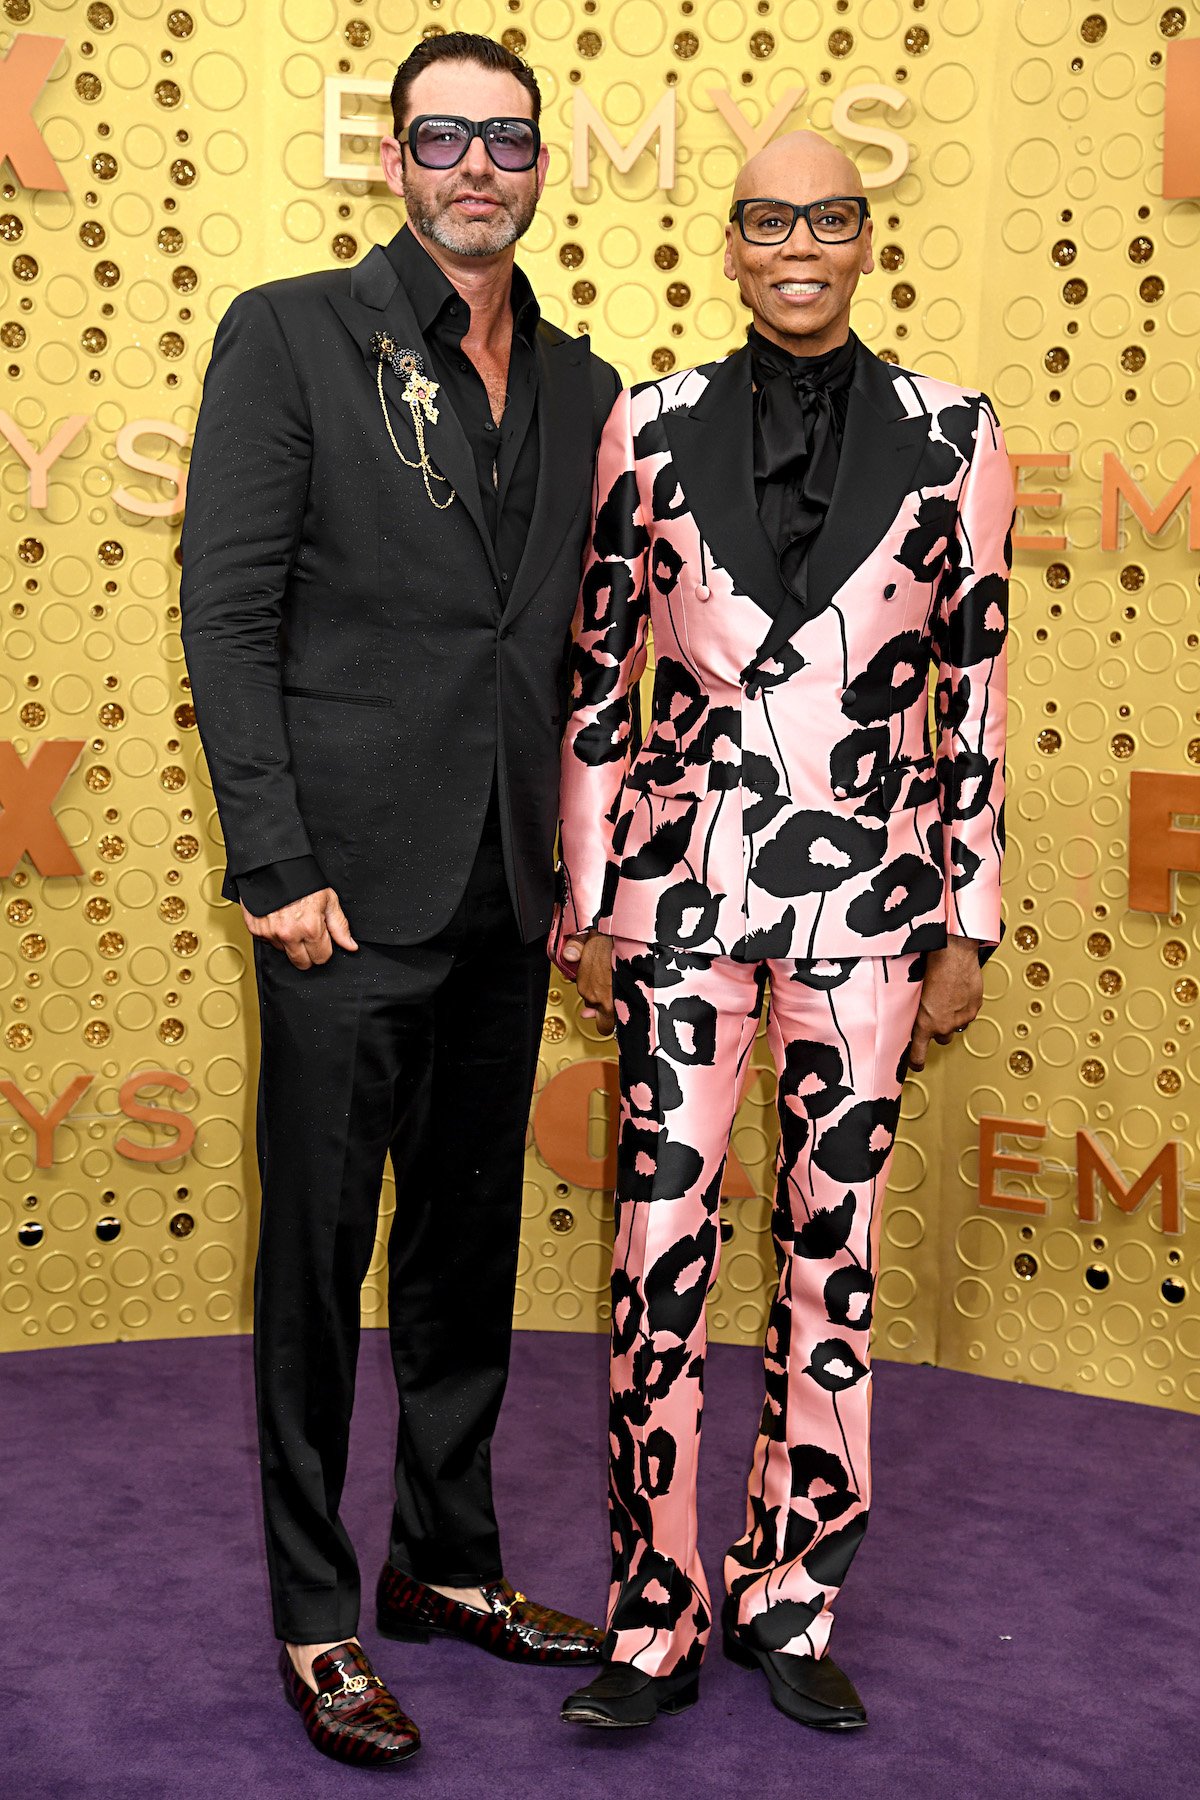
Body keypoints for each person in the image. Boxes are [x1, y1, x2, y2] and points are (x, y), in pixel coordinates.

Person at [181, 32, 618, 1769]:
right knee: (317, 1262)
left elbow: (577, 643)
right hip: (342, 898)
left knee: (465, 1254)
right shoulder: (293, 331)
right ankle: (316, 1613)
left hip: (512, 886)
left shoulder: (586, 385)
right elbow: (229, 613)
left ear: (538, 162)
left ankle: (448, 1564)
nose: (477, 167)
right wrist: (274, 865)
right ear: (394, 159)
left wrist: (589, 870)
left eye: (507, 139)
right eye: (443, 137)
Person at [553, 131, 1011, 1732]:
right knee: (655, 1263)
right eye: (769, 221)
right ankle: (654, 1616)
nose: (798, 244)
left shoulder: (959, 436)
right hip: (681, 908)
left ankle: (791, 1596)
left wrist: (972, 916)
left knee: (837, 1265)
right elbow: (604, 668)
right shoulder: (651, 421)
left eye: (827, 218)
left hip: (878, 920)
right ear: (731, 246)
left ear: (863, 239)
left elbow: (978, 693)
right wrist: (594, 898)